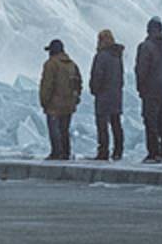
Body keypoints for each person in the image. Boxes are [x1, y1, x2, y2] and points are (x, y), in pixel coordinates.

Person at [39, 38, 82, 161]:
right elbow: (78, 82)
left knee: (54, 129)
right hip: (68, 104)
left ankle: (56, 152)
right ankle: (66, 152)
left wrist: (44, 101)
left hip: (54, 104)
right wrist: (75, 97)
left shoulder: (50, 64)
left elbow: (47, 85)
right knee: (64, 129)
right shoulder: (72, 64)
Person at [134, 17, 162, 163]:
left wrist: (140, 86)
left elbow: (142, 69)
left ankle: (154, 152)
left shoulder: (146, 46)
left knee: (151, 121)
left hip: (151, 89)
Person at [89, 29, 124, 161]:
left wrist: (94, 89)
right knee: (116, 123)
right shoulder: (117, 56)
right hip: (115, 94)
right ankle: (118, 150)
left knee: (102, 125)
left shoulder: (101, 56)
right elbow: (121, 77)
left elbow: (97, 75)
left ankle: (103, 151)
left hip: (103, 95)